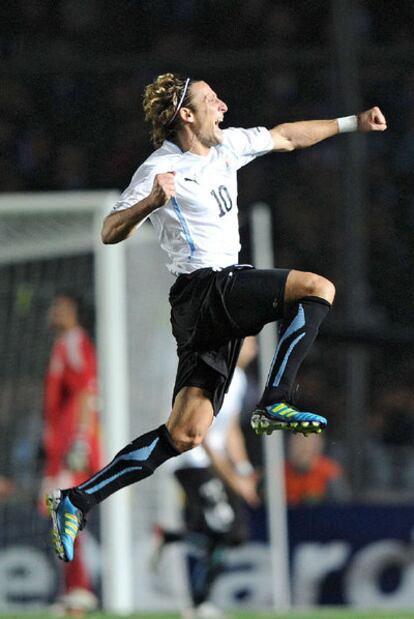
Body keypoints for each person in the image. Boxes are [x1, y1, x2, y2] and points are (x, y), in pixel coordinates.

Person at [46, 73, 386, 563]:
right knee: (318, 288)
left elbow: (288, 135)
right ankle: (275, 399)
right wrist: (150, 202)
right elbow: (109, 230)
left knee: (185, 434)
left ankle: (78, 499)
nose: (223, 106)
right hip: (206, 289)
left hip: (208, 306)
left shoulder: (227, 146)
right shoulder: (161, 167)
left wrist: (352, 121)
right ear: (186, 115)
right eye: (211, 100)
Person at [153, 337, 259, 619]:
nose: (254, 347)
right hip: (191, 461)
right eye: (249, 341)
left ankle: (172, 538)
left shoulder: (240, 379)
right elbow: (206, 435)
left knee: (234, 533)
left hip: (213, 465)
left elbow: (232, 429)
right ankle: (199, 604)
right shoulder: (216, 375)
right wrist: (232, 479)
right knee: (224, 528)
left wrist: (244, 471)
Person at [40, 292, 101, 613]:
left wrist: (80, 440)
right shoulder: (64, 343)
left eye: (62, 305)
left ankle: (80, 591)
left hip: (72, 446)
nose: (55, 310)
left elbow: (88, 392)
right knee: (58, 515)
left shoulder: (76, 342)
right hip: (60, 446)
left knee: (66, 513)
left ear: (76, 312)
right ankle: (73, 592)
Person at [284, 433, 350, 506]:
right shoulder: (279, 474)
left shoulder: (330, 472)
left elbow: (342, 507)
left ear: (319, 445)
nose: (303, 447)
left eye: (308, 442)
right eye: (298, 441)